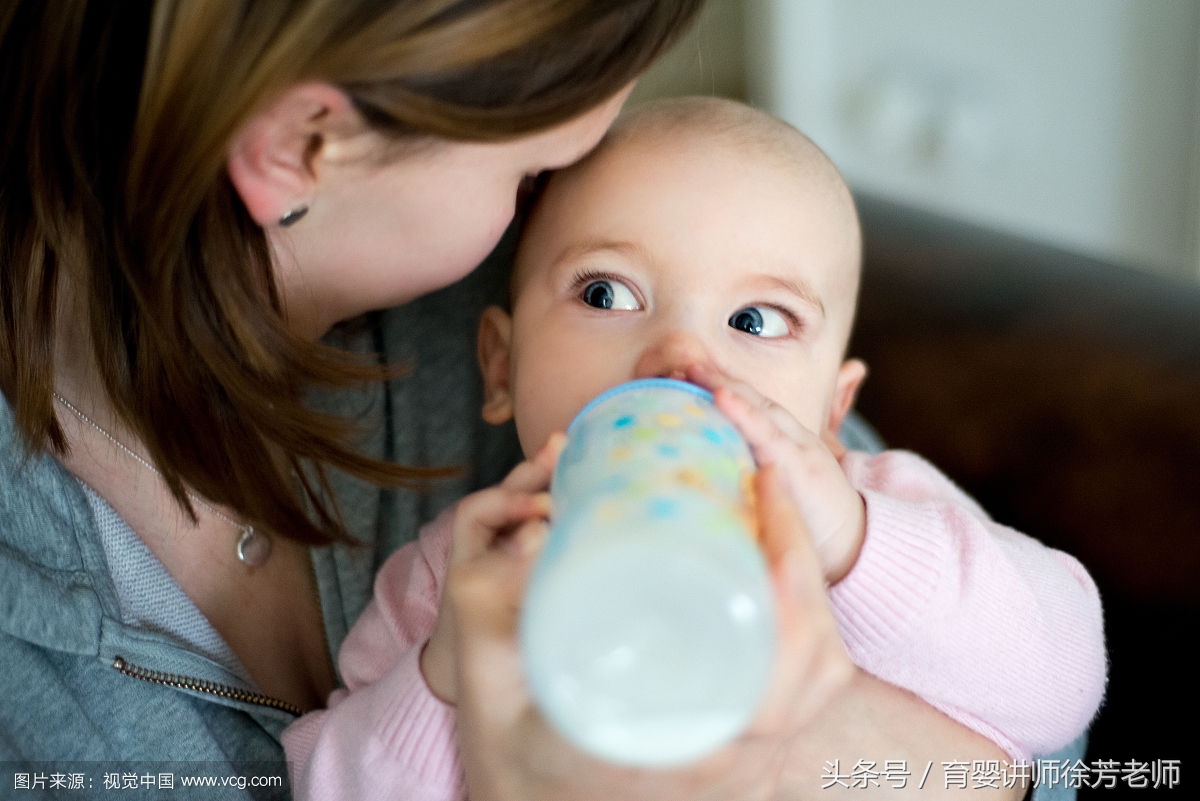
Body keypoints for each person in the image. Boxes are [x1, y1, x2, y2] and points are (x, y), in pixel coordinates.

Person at [282, 97, 1107, 799]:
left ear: (832, 408)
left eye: (755, 320)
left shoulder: (876, 508)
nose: (683, 356)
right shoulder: (464, 578)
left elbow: (1061, 681)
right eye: (606, 293)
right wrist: (442, 677)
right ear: (500, 367)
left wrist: (855, 547)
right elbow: (322, 780)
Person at [0, 0, 704, 796]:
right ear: (298, 148)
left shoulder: (535, 304)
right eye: (532, 174)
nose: (548, 217)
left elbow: (831, 485)